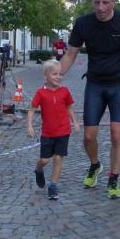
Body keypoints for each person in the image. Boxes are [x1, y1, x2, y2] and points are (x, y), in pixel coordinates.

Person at [60, 0, 120, 199]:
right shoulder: (83, 23)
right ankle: (95, 165)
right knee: (89, 136)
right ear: (92, 2)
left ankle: (113, 178)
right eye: (97, 2)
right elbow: (70, 54)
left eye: (105, 2)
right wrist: (55, 76)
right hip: (95, 85)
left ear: (113, 2)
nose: (101, 7)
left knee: (116, 133)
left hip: (119, 85)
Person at [27, 59, 80, 200]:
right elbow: (32, 110)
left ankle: (53, 186)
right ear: (46, 76)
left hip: (63, 131)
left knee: (58, 158)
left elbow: (69, 107)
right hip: (48, 133)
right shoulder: (40, 93)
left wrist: (74, 121)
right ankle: (39, 169)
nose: (58, 77)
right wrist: (29, 126)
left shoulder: (65, 91)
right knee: (45, 160)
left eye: (60, 74)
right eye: (54, 74)